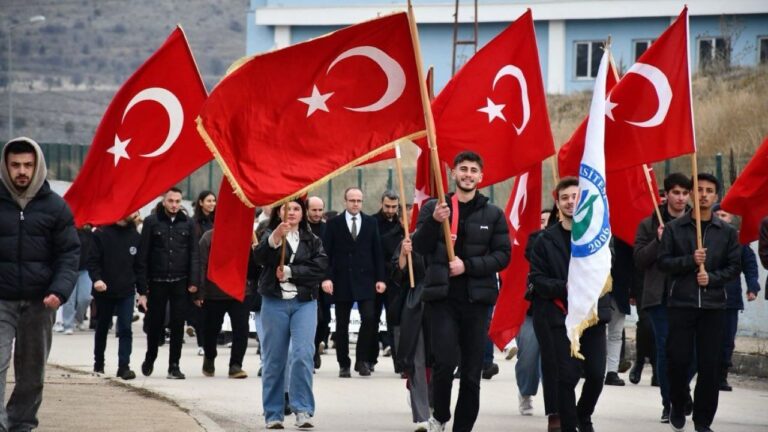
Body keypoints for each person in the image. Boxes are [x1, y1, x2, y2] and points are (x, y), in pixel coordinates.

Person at [411, 151, 510, 432]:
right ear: (453, 173)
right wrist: (433, 221)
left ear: (481, 177)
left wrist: (468, 266)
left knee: (471, 373)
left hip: (477, 302)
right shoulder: (435, 207)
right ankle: (440, 415)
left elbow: (503, 256)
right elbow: (419, 247)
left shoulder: (493, 214)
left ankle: (462, 427)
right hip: (442, 300)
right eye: (462, 169)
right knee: (443, 364)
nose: (468, 174)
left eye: (473, 170)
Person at [0, 137, 80, 430]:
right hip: (2, 300)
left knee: (32, 371)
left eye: (28, 165)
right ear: (5, 167)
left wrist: (59, 291)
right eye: (15, 165)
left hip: (40, 302)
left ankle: (21, 423)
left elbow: (69, 253)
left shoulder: (56, 208)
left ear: (38, 167)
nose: (22, 171)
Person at [658, 173, 741, 432]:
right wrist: (689, 260)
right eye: (699, 190)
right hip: (681, 303)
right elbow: (664, 262)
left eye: (709, 190)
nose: (703, 194)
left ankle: (703, 420)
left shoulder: (726, 232)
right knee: (678, 359)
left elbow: (733, 266)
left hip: (714, 306)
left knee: (709, 364)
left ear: (716, 196)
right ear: (692, 195)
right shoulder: (675, 229)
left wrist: (712, 278)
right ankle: (678, 401)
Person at [529, 176, 610, 432]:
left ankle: (583, 414)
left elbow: (610, 266)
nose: (570, 202)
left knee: (596, 374)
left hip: (592, 315)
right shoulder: (544, 240)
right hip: (558, 317)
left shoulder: (599, 234)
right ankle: (569, 424)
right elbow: (537, 279)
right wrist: (567, 287)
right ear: (557, 202)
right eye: (564, 198)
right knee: (566, 376)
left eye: (575, 197)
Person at [254, 197, 328, 429]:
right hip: (274, 302)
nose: (292, 213)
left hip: (304, 303)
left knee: (303, 355)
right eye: (287, 209)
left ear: (303, 213)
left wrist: (291, 271)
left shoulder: (312, 239)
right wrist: (275, 237)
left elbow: (320, 266)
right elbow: (259, 258)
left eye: (296, 208)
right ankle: (273, 413)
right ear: (278, 212)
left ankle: (303, 409)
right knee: (274, 359)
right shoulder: (268, 234)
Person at [633, 172, 692, 423]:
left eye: (684, 193)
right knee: (665, 350)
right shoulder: (649, 224)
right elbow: (639, 260)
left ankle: (681, 390)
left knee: (694, 351)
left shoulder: (697, 223)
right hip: (659, 298)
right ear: (666, 194)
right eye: (676, 193)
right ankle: (670, 403)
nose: (680, 198)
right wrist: (659, 241)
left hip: (690, 296)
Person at [137, 187, 200, 380]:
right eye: (171, 201)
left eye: (177, 201)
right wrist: (142, 290)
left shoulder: (188, 224)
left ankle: (174, 365)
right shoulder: (151, 222)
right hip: (157, 281)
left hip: (180, 281)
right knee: (155, 323)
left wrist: (194, 281)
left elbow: (194, 254)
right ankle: (150, 357)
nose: (174, 205)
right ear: (164, 201)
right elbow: (142, 256)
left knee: (178, 324)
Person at [322, 187, 386, 378]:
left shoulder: (370, 222)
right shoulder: (333, 224)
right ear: (345, 201)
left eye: (358, 200)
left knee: (368, 319)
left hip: (365, 280)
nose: (355, 204)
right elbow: (326, 253)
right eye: (352, 200)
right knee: (341, 324)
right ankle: (344, 363)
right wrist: (326, 277)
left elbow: (377, 252)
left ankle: (361, 360)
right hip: (341, 281)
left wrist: (381, 279)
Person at [89, 213, 143, 380]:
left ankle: (124, 366)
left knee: (125, 328)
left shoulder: (135, 236)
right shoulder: (101, 233)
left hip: (126, 290)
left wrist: (143, 292)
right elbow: (93, 261)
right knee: (103, 326)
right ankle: (99, 363)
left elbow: (139, 266)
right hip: (104, 290)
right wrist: (97, 279)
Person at [712, 205, 760, 391]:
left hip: (730, 300)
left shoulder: (739, 241)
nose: (720, 218)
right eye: (717, 214)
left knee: (727, 339)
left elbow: (750, 266)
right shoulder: (704, 237)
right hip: (707, 297)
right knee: (707, 338)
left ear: (731, 218)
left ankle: (722, 375)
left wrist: (752, 287)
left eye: (724, 215)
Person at [197, 228, 257, 379]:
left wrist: (254, 244)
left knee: (241, 328)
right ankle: (209, 356)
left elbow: (255, 266)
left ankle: (235, 365)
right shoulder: (208, 237)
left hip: (240, 290)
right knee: (211, 329)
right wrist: (200, 291)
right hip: (214, 292)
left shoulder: (246, 236)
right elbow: (201, 264)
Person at [515, 208, 553, 418]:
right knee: (528, 357)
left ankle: (554, 402)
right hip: (533, 310)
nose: (545, 224)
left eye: (549, 220)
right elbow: (530, 253)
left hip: (559, 311)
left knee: (554, 360)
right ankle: (526, 392)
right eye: (541, 221)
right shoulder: (535, 240)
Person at [392, 237, 429, 431]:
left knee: (444, 360)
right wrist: (403, 256)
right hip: (416, 303)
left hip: (446, 301)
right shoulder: (411, 239)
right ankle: (422, 414)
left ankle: (435, 405)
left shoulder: (454, 235)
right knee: (417, 359)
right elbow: (397, 275)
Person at [372, 190, 406, 373]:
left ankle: (399, 363)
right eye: (387, 206)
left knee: (395, 323)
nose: (391, 210)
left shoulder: (403, 224)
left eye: (394, 207)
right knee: (372, 319)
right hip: (377, 277)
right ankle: (369, 359)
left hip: (396, 280)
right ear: (381, 203)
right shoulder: (373, 222)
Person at [188, 190, 216, 355]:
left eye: (214, 201)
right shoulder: (194, 223)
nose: (212, 204)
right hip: (200, 266)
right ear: (200, 202)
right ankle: (201, 343)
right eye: (208, 201)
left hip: (214, 267)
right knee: (200, 306)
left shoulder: (217, 221)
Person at [307, 196, 330, 369]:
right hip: (308, 279)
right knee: (316, 317)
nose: (317, 213)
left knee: (325, 319)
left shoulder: (327, 228)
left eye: (320, 210)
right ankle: (311, 353)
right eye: (314, 210)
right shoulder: (303, 229)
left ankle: (318, 344)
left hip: (325, 280)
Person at [61, 224, 94, 334]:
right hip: (70, 268)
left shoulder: (89, 232)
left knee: (85, 297)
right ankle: (67, 324)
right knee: (69, 298)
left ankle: (79, 318)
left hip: (85, 269)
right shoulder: (68, 231)